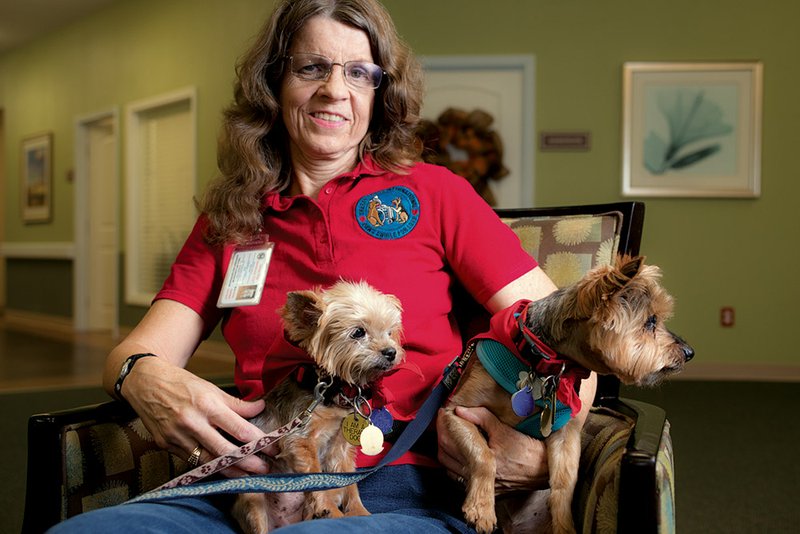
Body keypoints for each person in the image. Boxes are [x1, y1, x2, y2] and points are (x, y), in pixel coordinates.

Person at [50, 0, 596, 532]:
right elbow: (133, 354)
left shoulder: (435, 193)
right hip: (259, 483)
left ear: (379, 92)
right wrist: (138, 375)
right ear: (273, 83)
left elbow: (565, 335)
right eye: (312, 67)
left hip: (403, 488)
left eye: (359, 72)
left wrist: (542, 457)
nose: (335, 89)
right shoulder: (232, 218)